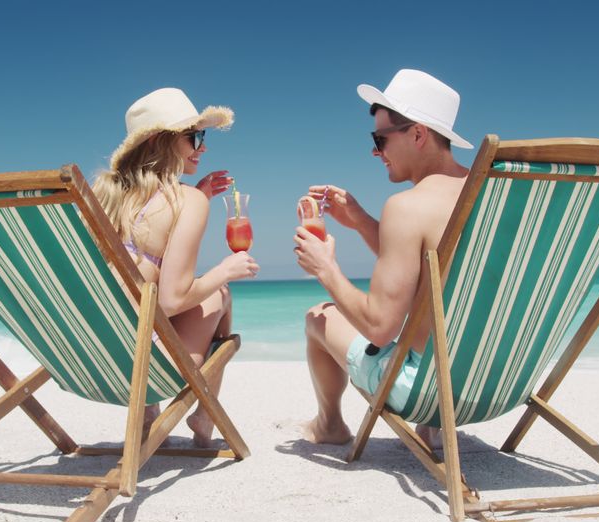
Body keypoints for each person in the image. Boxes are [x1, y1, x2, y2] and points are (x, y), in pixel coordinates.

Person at [293, 69, 473, 449]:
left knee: (318, 316)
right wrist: (361, 221)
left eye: (380, 139)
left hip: (429, 393)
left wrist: (326, 269)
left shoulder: (408, 207)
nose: (376, 152)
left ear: (418, 134)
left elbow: (379, 327)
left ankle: (329, 425)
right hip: (501, 384)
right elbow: (434, 266)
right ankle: (432, 431)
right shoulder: (493, 193)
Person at [93, 87, 260, 447]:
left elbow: (135, 275)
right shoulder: (187, 200)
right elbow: (170, 301)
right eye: (194, 136)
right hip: (148, 372)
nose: (203, 147)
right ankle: (204, 413)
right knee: (219, 291)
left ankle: (149, 414)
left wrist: (192, 194)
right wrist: (225, 270)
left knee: (138, 307)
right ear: (159, 141)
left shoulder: (104, 197)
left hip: (91, 361)